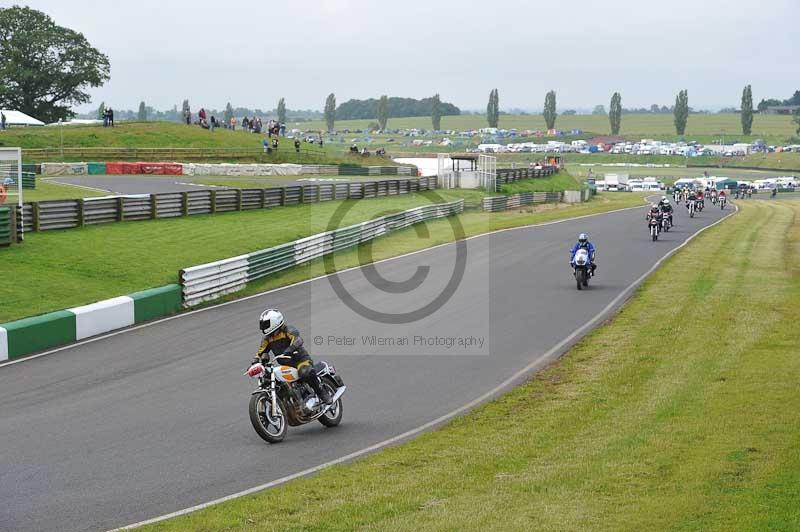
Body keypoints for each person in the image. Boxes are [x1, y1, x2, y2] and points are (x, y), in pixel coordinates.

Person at [252, 309, 333, 404]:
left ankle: (322, 393)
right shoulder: (267, 338)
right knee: (271, 379)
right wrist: (255, 361)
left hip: (300, 360)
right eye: (262, 324)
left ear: (274, 322)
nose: (262, 327)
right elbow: (261, 351)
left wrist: (290, 350)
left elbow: (298, 340)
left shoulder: (288, 330)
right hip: (285, 365)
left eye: (265, 324)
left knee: (305, 372)